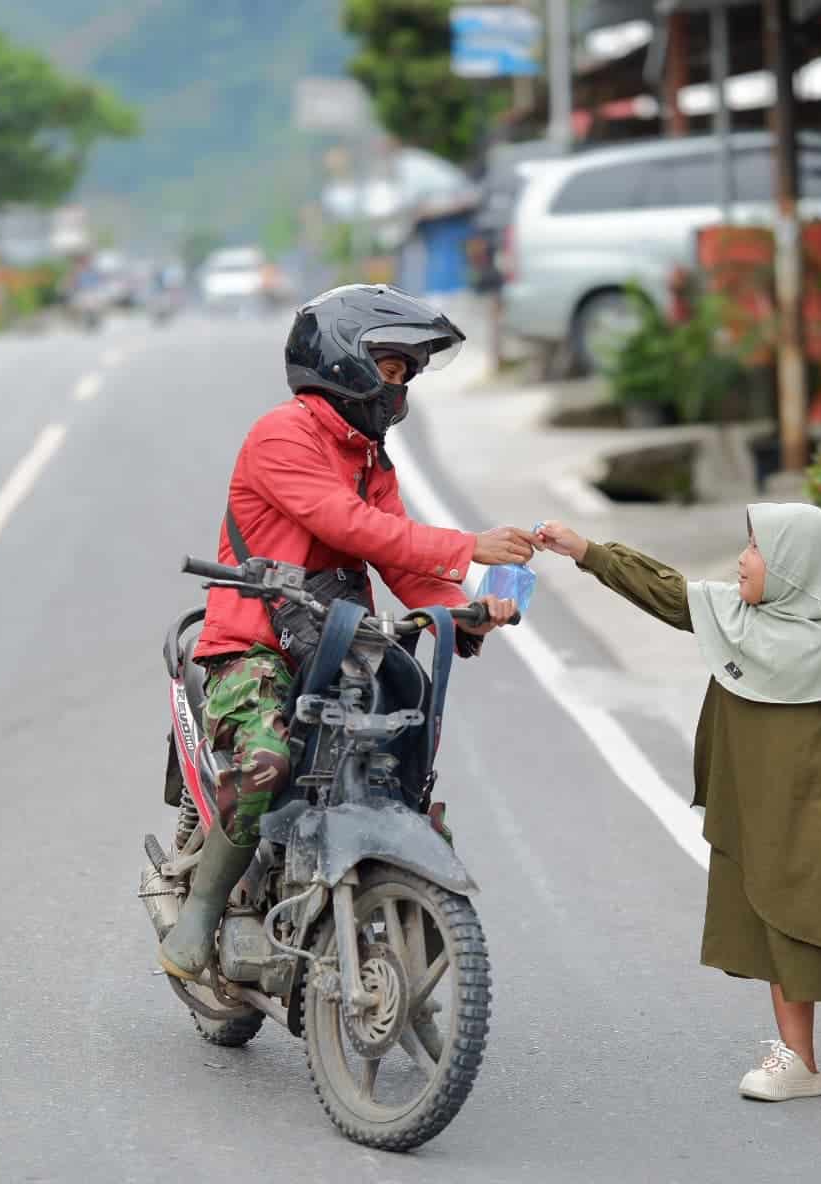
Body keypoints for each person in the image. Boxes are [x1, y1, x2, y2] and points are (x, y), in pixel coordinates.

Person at [158, 285, 530, 982]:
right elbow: (345, 525)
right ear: (343, 359)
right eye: (392, 369)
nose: (400, 388)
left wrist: (462, 609)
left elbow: (396, 553)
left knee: (393, 766)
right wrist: (467, 546)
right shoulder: (284, 434)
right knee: (268, 763)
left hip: (339, 639)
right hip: (257, 641)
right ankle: (204, 912)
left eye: (407, 375)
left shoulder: (370, 458)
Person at [535, 504, 821, 1118]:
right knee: (771, 921)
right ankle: (799, 1058)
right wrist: (585, 551)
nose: (742, 559)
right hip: (751, 804)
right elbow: (665, 591)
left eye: (757, 549)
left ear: (794, 568)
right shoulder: (729, 616)